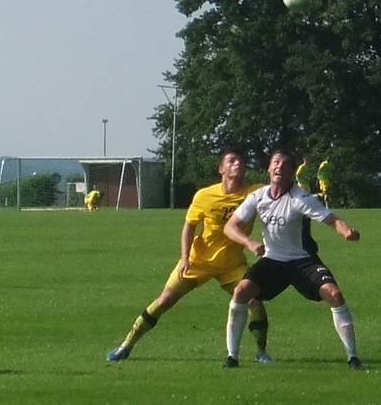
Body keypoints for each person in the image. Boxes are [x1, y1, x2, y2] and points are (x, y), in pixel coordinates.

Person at [107, 149, 272, 363]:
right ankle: (126, 345)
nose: (237, 164)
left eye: (241, 161)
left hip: (232, 264)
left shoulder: (254, 193)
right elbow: (189, 226)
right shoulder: (205, 195)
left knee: (254, 300)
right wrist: (185, 258)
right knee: (164, 301)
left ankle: (261, 352)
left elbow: (277, 193)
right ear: (221, 169)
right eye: (232, 161)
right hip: (198, 261)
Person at [222, 149, 362, 370]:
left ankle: (353, 357)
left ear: (292, 172)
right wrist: (249, 242)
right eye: (276, 162)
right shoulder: (258, 197)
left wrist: (346, 231)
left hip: (303, 261)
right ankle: (232, 357)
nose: (279, 167)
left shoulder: (300, 198)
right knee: (241, 291)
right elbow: (230, 227)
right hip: (273, 261)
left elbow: (333, 219)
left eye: (285, 164)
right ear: (268, 168)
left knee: (334, 294)